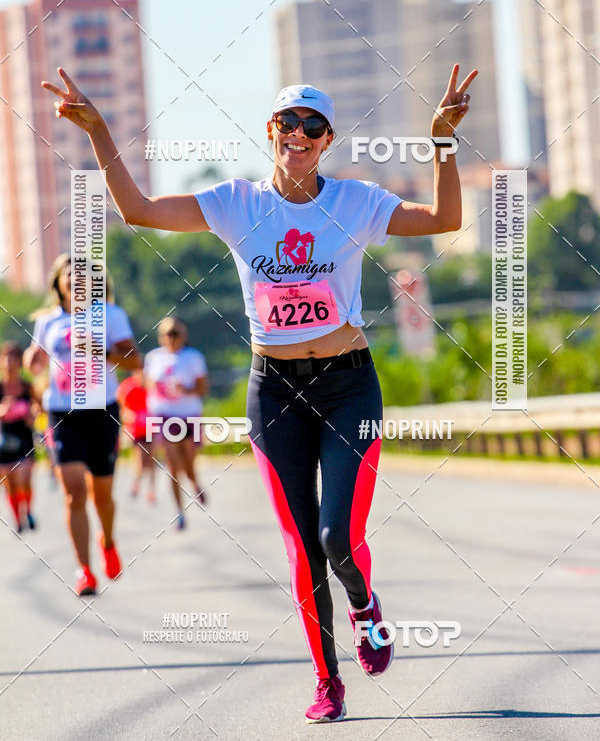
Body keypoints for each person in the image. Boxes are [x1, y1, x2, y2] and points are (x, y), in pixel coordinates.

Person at [41, 64, 476, 721]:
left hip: (348, 388)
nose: (298, 134)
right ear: (270, 132)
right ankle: (327, 682)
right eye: (287, 123)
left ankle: (363, 604)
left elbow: (445, 218)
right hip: (273, 392)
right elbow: (137, 211)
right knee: (301, 546)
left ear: (327, 140)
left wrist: (441, 140)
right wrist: (101, 131)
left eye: (313, 126)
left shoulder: (357, 202)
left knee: (336, 536)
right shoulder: (235, 203)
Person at [23, 254, 141, 595]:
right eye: (68, 277)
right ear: (58, 284)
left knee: (101, 496)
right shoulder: (48, 322)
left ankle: (107, 540)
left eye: (82, 277)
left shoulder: (112, 316)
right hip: (61, 413)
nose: (76, 282)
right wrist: (34, 360)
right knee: (74, 494)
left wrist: (101, 351)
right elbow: (37, 362)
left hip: (102, 410)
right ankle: (85, 571)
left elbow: (134, 361)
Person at [144, 317, 209, 529]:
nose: (171, 338)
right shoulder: (154, 358)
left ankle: (194, 482)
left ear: (184, 336)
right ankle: (179, 512)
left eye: (175, 333)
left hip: (188, 414)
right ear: (161, 336)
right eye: (167, 334)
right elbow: (148, 385)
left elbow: (203, 389)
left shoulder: (193, 357)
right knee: (172, 465)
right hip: (164, 414)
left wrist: (186, 389)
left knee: (187, 461)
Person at [0, 341, 37, 532]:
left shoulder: (26, 386)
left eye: (14, 359)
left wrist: (32, 413)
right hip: (4, 441)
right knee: (12, 484)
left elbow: (39, 405)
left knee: (26, 479)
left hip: (25, 439)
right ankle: (18, 519)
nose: (10, 363)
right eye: (6, 358)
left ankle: (28, 510)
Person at [116, 369, 156, 504]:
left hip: (151, 426)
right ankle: (136, 486)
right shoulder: (127, 386)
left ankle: (151, 489)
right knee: (140, 460)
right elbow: (121, 405)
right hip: (136, 429)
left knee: (152, 459)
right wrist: (128, 415)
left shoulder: (151, 385)